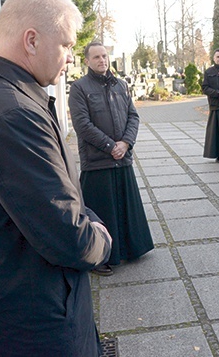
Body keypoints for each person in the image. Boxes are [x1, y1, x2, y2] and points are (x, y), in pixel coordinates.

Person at [0, 0, 112, 356]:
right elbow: (68, 236)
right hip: (29, 328)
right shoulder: (12, 113)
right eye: (67, 45)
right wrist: (101, 239)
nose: (71, 57)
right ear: (32, 40)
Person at [69, 41, 154, 276]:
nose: (102, 60)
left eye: (104, 56)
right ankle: (99, 256)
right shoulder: (79, 88)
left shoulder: (121, 85)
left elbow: (133, 117)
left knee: (125, 208)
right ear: (86, 61)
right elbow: (82, 125)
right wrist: (110, 146)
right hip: (97, 161)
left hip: (122, 157)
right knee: (101, 210)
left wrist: (125, 144)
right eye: (96, 57)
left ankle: (130, 248)